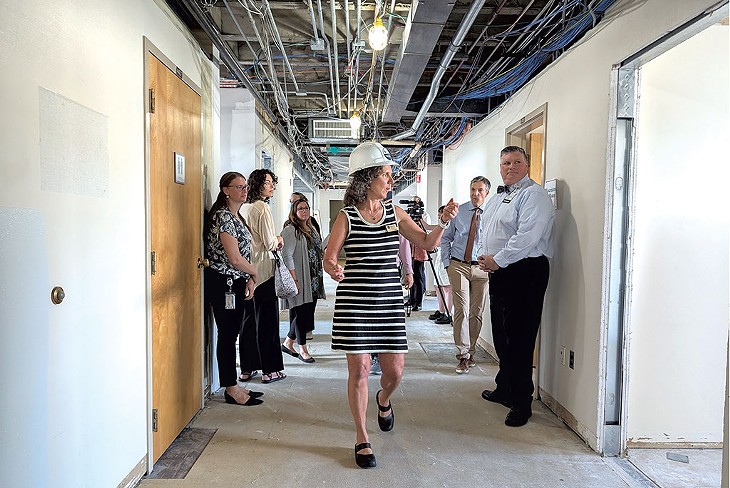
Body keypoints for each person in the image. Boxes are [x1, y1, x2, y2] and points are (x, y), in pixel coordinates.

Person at [323, 141, 458, 468]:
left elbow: (425, 243)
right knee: (360, 370)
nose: (391, 180)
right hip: (355, 302)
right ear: (367, 178)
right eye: (385, 175)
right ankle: (362, 436)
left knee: (395, 372)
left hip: (387, 303)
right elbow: (329, 255)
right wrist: (332, 267)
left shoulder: (395, 215)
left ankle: (384, 399)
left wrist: (442, 222)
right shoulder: (347, 216)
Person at [478, 146, 554, 427]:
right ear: (500, 167)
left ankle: (522, 404)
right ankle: (505, 389)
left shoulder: (534, 195)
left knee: (520, 339)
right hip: (500, 271)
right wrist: (487, 258)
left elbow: (527, 238)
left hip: (525, 271)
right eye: (506, 162)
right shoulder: (498, 197)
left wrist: (497, 260)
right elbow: (490, 231)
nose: (510, 167)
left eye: (517, 162)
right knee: (501, 334)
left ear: (527, 165)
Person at [203, 171, 264, 406]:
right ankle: (230, 387)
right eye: (238, 186)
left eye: (245, 186)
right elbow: (235, 259)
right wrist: (255, 272)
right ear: (225, 190)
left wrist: (249, 278)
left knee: (232, 334)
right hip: (224, 283)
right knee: (227, 336)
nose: (244, 190)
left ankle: (234, 385)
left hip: (237, 281)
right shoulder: (223, 218)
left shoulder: (236, 216)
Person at [239, 169, 287, 385]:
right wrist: (278, 238)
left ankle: (247, 369)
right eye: (269, 182)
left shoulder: (243, 207)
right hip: (264, 273)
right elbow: (269, 243)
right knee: (268, 322)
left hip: (245, 271)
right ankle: (270, 370)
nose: (272, 186)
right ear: (259, 184)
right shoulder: (262, 208)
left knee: (248, 323)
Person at [440, 176, 491, 374]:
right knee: (461, 308)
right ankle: (462, 355)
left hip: (482, 268)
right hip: (458, 265)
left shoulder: (492, 214)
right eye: (472, 189)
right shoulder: (459, 212)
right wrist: (447, 264)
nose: (475, 194)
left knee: (476, 312)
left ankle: (472, 350)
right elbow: (446, 238)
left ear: (486, 193)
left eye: (479, 190)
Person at [280, 197, 325, 363]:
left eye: (306, 208)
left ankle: (287, 343)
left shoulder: (311, 227)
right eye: (300, 208)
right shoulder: (291, 229)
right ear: (294, 211)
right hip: (300, 277)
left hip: (313, 277)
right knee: (300, 313)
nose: (304, 211)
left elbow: (317, 247)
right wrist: (294, 279)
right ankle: (303, 350)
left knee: (307, 313)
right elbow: (287, 255)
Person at [371, 233, 413, 376]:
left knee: (387, 318)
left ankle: (384, 354)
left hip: (389, 274)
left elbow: (404, 245)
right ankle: (374, 355)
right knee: (371, 318)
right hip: (367, 274)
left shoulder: (395, 218)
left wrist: (408, 271)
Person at [426, 205, 453, 325]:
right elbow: (428, 228)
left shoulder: (451, 225)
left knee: (447, 287)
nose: (439, 218)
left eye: (440, 215)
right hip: (439, 256)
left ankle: (449, 313)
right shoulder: (441, 225)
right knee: (438, 286)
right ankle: (441, 311)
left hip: (448, 256)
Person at [408, 197, 428, 311]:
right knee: (410, 275)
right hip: (411, 249)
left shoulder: (423, 215)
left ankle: (418, 302)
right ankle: (411, 299)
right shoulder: (410, 216)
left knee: (419, 277)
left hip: (419, 251)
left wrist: (419, 219)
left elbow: (426, 230)